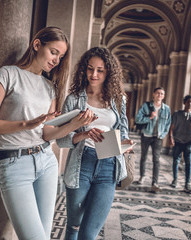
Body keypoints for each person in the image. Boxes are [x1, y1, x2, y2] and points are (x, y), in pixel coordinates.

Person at [0, 27, 95, 240]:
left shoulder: (50, 86)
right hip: (13, 163)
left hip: (46, 161)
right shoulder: (8, 74)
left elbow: (48, 134)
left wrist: (76, 124)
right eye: (53, 52)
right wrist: (26, 123)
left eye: (61, 56)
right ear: (37, 45)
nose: (56, 60)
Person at [56, 47, 133, 239]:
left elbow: (122, 131)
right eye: (90, 69)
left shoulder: (118, 99)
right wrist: (84, 134)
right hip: (80, 165)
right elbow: (61, 139)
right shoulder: (74, 100)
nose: (94, 74)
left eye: (100, 70)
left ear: (109, 72)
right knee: (74, 227)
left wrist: (125, 144)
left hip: (109, 165)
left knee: (88, 234)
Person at [134, 87, 171, 193]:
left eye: (162, 94)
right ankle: (142, 176)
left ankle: (155, 182)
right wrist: (149, 117)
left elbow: (168, 124)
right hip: (146, 135)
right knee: (144, 156)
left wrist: (163, 135)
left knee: (156, 159)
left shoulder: (166, 109)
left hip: (158, 137)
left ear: (164, 96)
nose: (160, 95)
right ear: (153, 94)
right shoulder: (146, 106)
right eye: (158, 93)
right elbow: (138, 119)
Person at [169, 95, 191, 193]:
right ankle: (175, 179)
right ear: (184, 103)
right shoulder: (177, 114)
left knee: (188, 162)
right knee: (176, 161)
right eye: (188, 102)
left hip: (189, 142)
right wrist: (171, 138)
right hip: (178, 140)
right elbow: (172, 127)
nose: (190, 104)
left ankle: (187, 183)